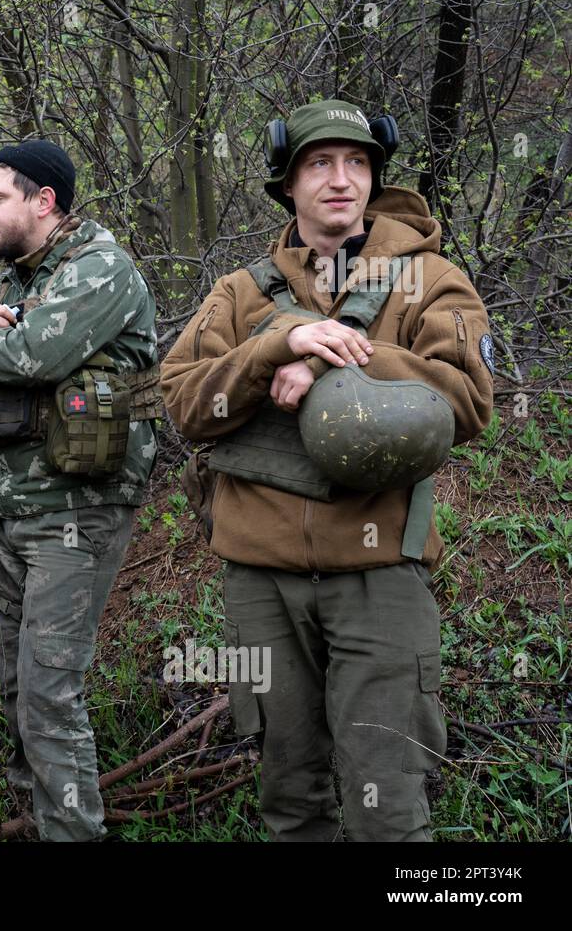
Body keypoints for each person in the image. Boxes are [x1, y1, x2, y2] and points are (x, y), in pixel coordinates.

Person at [160, 99, 495, 841]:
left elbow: (468, 400)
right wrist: (273, 345)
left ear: (375, 176)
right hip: (259, 582)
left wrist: (332, 357)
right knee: (290, 802)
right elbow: (185, 404)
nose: (341, 179)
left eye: (357, 163)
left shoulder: (429, 279)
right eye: (320, 163)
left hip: (377, 579)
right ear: (287, 182)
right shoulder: (240, 294)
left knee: (390, 809)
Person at [0, 140, 161, 841]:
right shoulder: (13, 282)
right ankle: (42, 819)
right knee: (15, 691)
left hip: (75, 515)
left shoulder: (100, 269)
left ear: (44, 201)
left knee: (48, 694)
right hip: (8, 513)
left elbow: (37, 355)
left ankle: (73, 833)